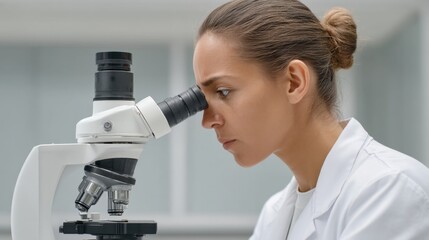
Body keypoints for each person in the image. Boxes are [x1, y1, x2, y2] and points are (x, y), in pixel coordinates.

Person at [193, 0, 429, 239]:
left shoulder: (389, 190)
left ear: (294, 82)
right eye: (203, 99)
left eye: (223, 91)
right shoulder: (274, 216)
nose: (207, 120)